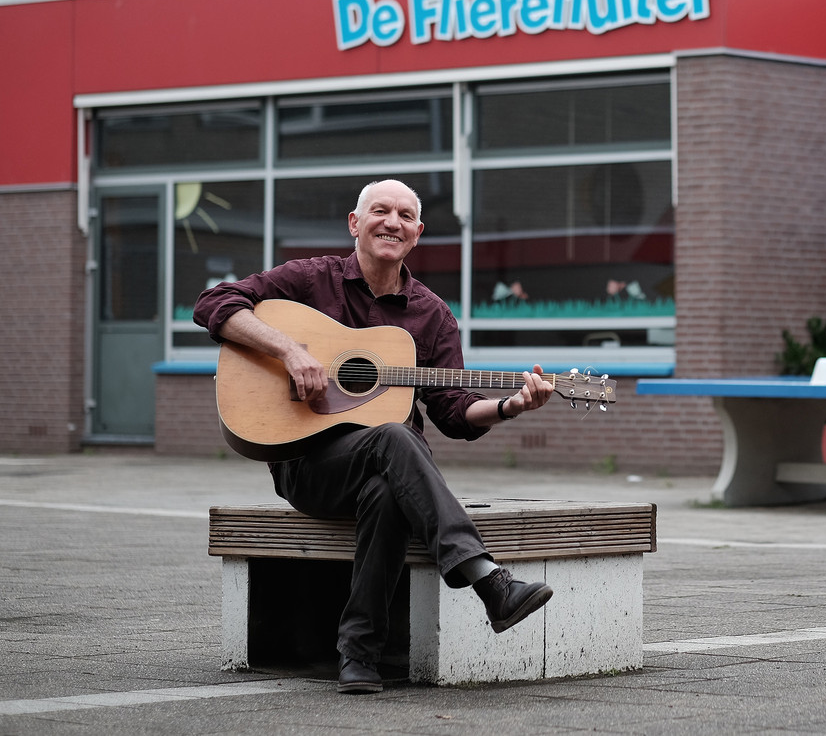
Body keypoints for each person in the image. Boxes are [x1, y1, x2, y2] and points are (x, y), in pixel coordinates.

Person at [193, 179, 555, 695]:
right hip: (308, 466)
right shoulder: (309, 280)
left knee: (387, 487)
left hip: (387, 469)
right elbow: (214, 302)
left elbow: (453, 413)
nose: (393, 222)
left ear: (418, 233)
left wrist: (509, 406)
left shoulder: (431, 314)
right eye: (380, 211)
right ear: (354, 223)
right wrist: (290, 351)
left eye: (406, 215)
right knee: (392, 437)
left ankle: (359, 656)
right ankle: (488, 580)